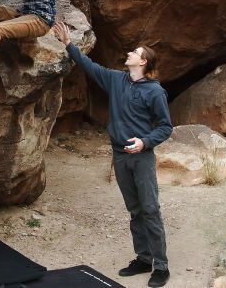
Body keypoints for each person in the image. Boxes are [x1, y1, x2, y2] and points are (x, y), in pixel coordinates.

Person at [53, 21, 172, 287]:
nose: (129, 54)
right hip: (120, 156)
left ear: (143, 62)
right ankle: (143, 259)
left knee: (150, 209)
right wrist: (68, 43)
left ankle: (161, 266)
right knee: (134, 210)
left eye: (134, 52)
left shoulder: (155, 91)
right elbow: (90, 67)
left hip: (141, 157)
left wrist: (145, 142)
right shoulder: (117, 79)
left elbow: (165, 127)